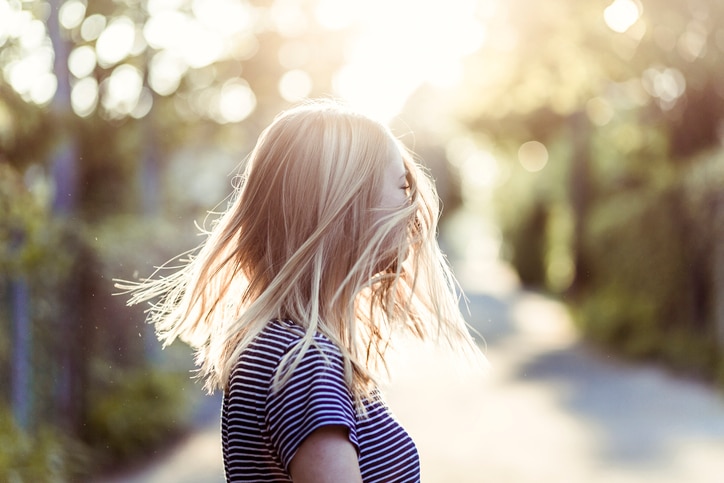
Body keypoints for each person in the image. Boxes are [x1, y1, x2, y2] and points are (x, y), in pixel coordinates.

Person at [120, 99, 481, 482]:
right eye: (401, 186)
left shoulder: (282, 348)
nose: (414, 210)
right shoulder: (306, 363)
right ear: (345, 205)